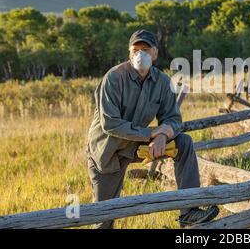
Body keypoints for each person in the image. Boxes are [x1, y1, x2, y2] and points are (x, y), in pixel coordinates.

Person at [85, 29, 219, 229]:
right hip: (107, 151)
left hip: (137, 145)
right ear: (129, 53)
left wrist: (163, 135)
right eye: (135, 49)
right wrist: (150, 133)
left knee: (183, 143)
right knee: (104, 217)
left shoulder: (162, 82)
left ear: (155, 53)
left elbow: (173, 118)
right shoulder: (113, 78)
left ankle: (189, 211)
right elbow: (110, 123)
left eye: (145, 49)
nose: (140, 54)